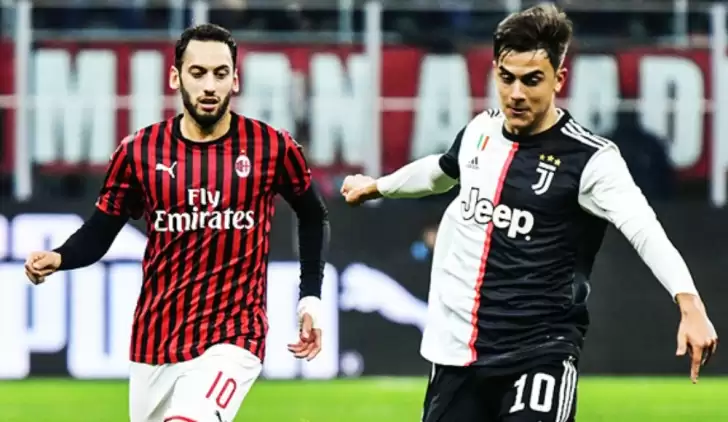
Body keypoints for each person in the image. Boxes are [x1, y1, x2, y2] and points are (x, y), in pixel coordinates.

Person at [341, 4, 717, 422]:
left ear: (559, 79)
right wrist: (378, 185)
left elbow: (645, 230)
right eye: (507, 78)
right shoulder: (480, 131)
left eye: (532, 80)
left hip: (540, 353)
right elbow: (440, 172)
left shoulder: (591, 160)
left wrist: (690, 304)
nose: (516, 93)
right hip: (459, 355)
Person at [23, 24, 330, 422]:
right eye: (197, 73)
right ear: (175, 77)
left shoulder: (272, 147)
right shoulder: (139, 152)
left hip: (234, 337)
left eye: (220, 74)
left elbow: (313, 215)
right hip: (155, 341)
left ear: (235, 80)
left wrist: (310, 298)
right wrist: (60, 257)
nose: (209, 85)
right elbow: (101, 230)